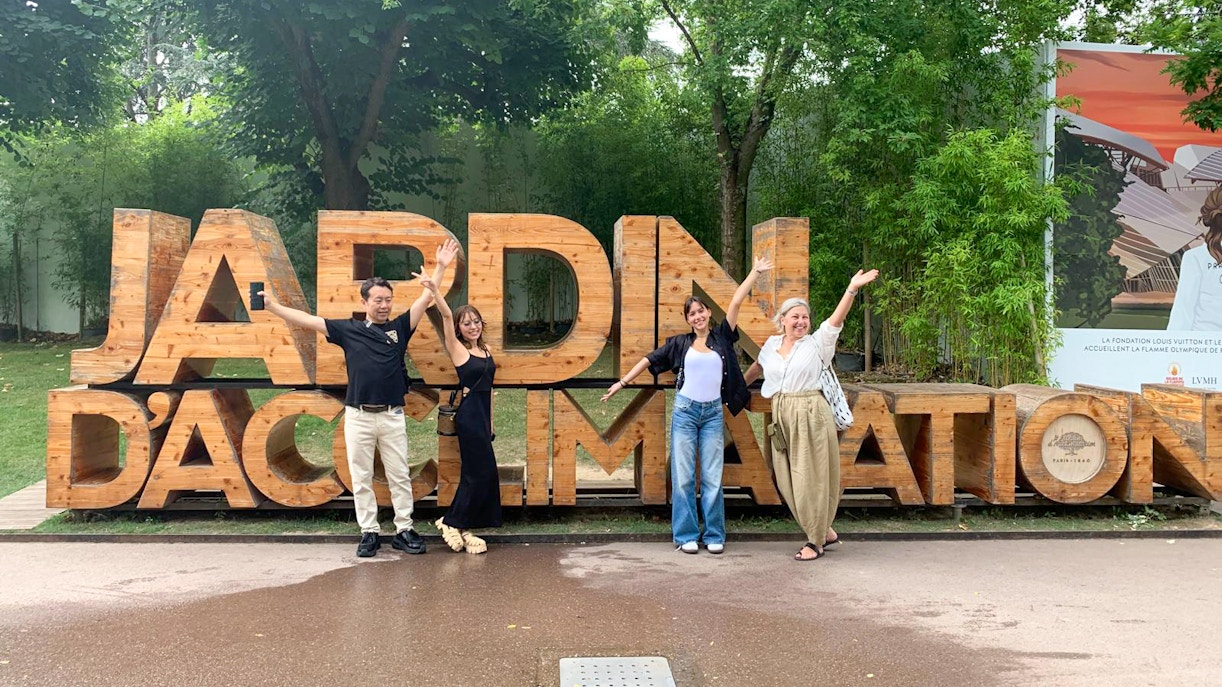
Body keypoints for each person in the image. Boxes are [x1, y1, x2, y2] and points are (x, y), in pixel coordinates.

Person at [261, 238, 460, 558]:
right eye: (378, 300)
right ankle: (369, 532)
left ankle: (404, 529)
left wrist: (441, 267)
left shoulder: (400, 327)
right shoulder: (347, 330)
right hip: (359, 416)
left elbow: (426, 298)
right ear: (365, 301)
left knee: (398, 473)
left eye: (388, 299)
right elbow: (307, 321)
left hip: (393, 415)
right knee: (362, 475)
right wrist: (272, 307)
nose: (384, 305)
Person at [602, 257, 772, 554]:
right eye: (691, 314)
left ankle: (715, 534)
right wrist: (623, 383)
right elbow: (650, 359)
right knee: (684, 476)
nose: (698, 316)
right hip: (685, 412)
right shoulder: (680, 343)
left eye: (701, 310)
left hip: (713, 414)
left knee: (711, 476)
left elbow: (735, 301)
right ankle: (686, 536)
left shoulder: (721, 337)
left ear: (708, 312)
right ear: (688, 319)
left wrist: (754, 273)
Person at [745, 268, 879, 561]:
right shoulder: (771, 345)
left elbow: (836, 321)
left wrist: (852, 288)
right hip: (781, 414)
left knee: (811, 478)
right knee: (786, 479)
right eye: (795, 317)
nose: (801, 321)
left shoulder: (818, 344)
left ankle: (815, 541)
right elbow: (758, 366)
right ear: (783, 320)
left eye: (804, 317)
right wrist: (738, 389)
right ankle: (824, 530)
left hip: (810, 412)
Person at [420, 276, 502, 554]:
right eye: (466, 323)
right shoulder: (458, 350)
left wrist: (491, 422)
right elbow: (444, 313)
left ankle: (459, 522)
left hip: (482, 416)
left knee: (481, 472)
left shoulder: (487, 351)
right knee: (477, 473)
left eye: (476, 321)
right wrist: (434, 289)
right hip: (467, 418)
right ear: (458, 328)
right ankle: (453, 521)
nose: (473, 326)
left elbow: (489, 390)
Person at [1167, 187, 1222, 331]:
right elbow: (1183, 311)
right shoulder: (1195, 258)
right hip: (1204, 346)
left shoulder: (1195, 257)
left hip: (1202, 344)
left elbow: (1183, 311)